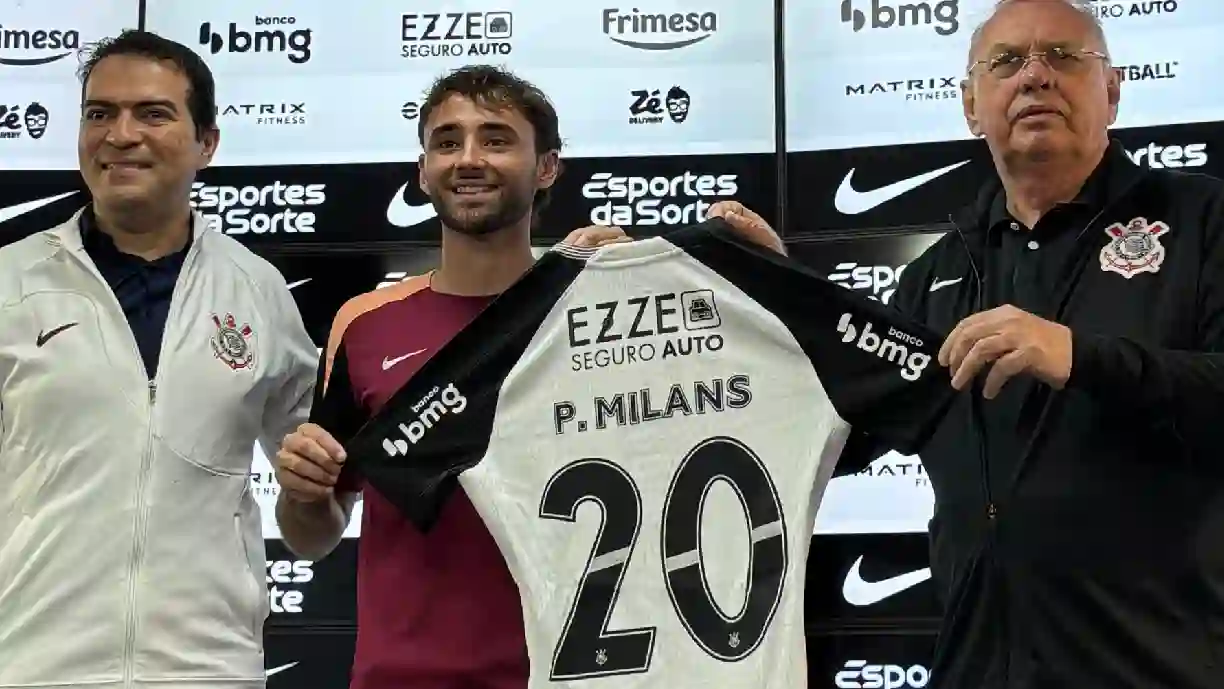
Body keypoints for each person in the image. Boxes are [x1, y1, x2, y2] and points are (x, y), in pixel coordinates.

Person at [714, 0, 1224, 687]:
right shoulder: (937, 273)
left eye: (1065, 57)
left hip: (1159, 664)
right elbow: (844, 430)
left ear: (1113, 90)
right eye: (1007, 62)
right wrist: (780, 298)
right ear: (970, 105)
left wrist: (1081, 357)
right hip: (976, 666)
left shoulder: (1202, 219)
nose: (1035, 76)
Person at [273, 65, 628, 689]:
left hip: (572, 675)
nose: (469, 159)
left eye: (495, 139)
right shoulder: (364, 323)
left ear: (546, 167)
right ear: (422, 171)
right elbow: (315, 532)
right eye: (447, 141)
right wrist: (301, 493)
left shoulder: (604, 310)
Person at [0, 30, 319, 689]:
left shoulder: (258, 290)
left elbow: (313, 522)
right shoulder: (10, 281)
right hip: (31, 662)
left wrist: (316, 490)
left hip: (209, 667)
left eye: (152, 113)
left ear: (207, 142)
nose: (120, 134)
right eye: (99, 113)